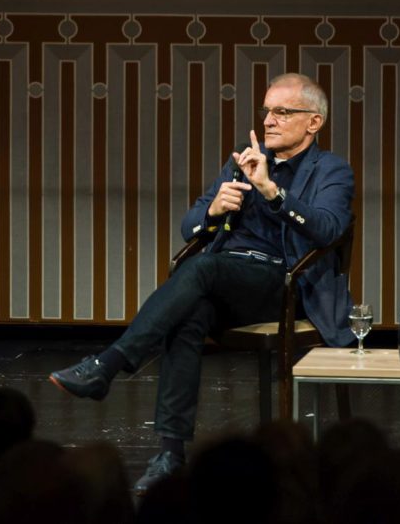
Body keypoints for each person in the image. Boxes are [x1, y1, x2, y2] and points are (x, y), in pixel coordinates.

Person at [49, 73, 355, 494]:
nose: (269, 120)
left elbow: (328, 229)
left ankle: (110, 364)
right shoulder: (242, 160)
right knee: (188, 314)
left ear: (314, 122)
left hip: (282, 285)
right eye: (266, 110)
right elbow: (189, 226)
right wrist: (212, 210)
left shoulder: (332, 169)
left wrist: (271, 192)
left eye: (282, 112)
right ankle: (171, 453)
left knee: (198, 271)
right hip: (226, 279)